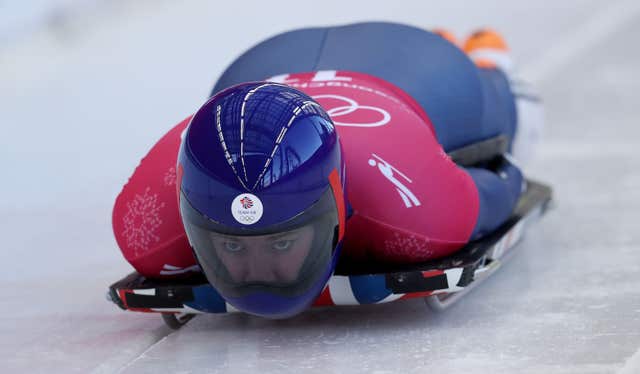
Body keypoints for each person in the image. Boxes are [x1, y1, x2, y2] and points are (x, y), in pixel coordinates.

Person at [112, 22, 542, 318]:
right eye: (233, 248)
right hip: (262, 66)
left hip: (424, 66)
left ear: (338, 202)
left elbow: (506, 179)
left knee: (520, 117)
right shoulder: (145, 224)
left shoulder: (418, 209)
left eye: (281, 246)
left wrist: (499, 176)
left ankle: (485, 56)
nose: (261, 275)